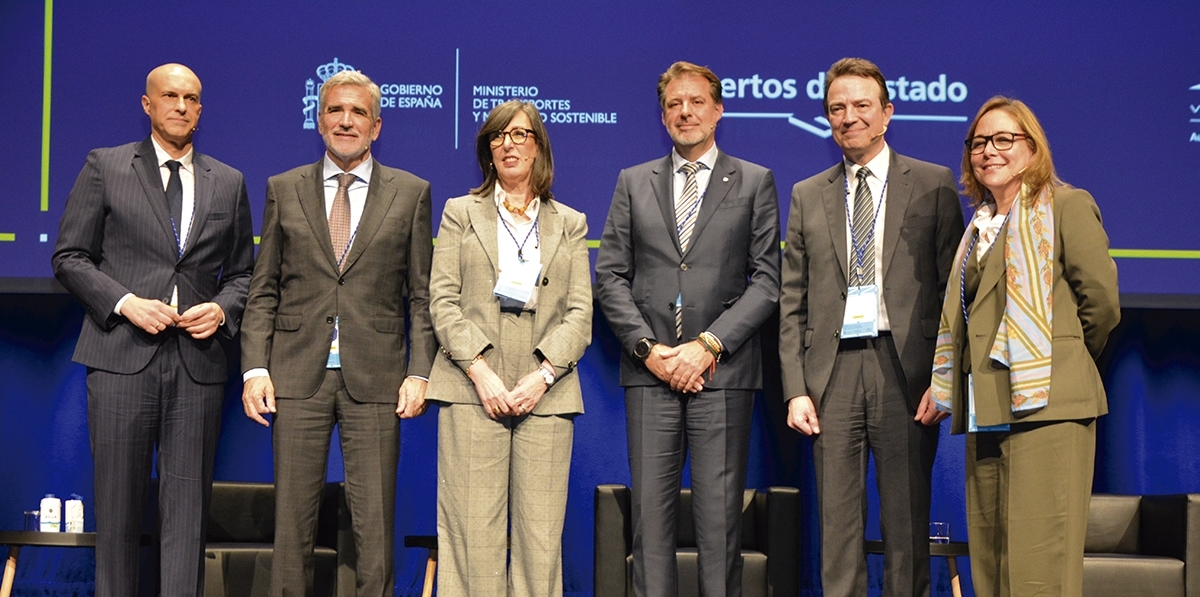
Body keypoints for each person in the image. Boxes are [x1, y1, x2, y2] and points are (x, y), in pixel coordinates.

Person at [51, 63, 254, 597]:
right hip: (121, 356)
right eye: (170, 96)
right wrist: (124, 302)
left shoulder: (228, 181)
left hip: (198, 366)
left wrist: (222, 310)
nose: (181, 106)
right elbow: (70, 257)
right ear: (148, 104)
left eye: (191, 98)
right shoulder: (107, 166)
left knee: (187, 517)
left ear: (201, 109)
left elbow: (242, 275)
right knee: (117, 511)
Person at [239, 69, 436, 597]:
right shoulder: (284, 188)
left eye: (357, 113)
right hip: (295, 377)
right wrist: (255, 368)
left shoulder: (412, 192)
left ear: (376, 126)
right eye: (335, 111)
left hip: (376, 379)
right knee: (293, 530)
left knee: (374, 531)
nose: (345, 121)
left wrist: (420, 372)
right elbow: (263, 290)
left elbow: (421, 296)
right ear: (319, 119)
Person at [778, 57, 964, 597]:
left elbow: (956, 295)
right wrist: (795, 389)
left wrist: (945, 377)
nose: (848, 117)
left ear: (887, 113)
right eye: (837, 108)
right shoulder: (807, 192)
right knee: (836, 525)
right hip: (830, 374)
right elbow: (793, 300)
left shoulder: (932, 183)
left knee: (907, 522)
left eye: (861, 106)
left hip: (905, 371)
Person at [595, 61, 780, 597]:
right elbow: (609, 276)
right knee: (650, 520)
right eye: (675, 104)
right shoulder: (634, 181)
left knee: (720, 520)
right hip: (650, 373)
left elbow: (767, 280)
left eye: (696, 101)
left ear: (718, 110)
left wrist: (709, 345)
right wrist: (650, 351)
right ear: (662, 114)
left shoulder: (754, 180)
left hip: (723, 373)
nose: (685, 112)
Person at [930, 96, 1119, 596]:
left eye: (1003, 140)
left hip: (1049, 408)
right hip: (986, 409)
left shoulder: (1067, 206)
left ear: (1032, 149)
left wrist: (1060, 359)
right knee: (991, 566)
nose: (988, 151)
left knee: (1041, 567)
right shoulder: (978, 227)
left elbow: (1100, 305)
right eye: (978, 143)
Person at [426, 100, 592, 597]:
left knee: (540, 541)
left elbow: (580, 314)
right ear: (487, 150)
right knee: (471, 537)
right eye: (499, 136)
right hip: (472, 390)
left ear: (538, 146)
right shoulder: (461, 212)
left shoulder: (570, 221)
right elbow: (442, 300)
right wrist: (480, 371)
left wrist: (542, 375)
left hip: (547, 395)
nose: (509, 144)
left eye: (520, 135)